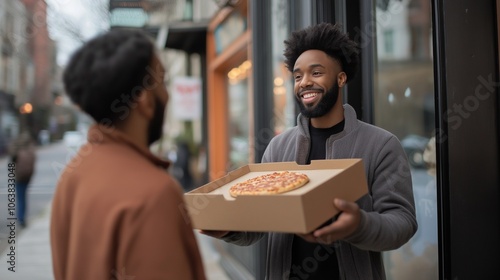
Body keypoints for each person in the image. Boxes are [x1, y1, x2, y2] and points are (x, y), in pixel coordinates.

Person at [203, 22, 417, 279]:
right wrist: (228, 230)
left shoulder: (381, 145)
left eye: (316, 73)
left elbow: (403, 222)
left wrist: (359, 225)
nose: (304, 82)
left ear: (341, 78)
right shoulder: (278, 147)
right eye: (297, 76)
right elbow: (261, 222)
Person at [50, 29, 206, 280]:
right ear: (145, 101)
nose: (167, 95)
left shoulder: (72, 176)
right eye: (163, 83)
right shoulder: (154, 193)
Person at [8, 131, 36, 227]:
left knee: (20, 198)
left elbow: (11, 160)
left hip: (18, 177)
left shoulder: (17, 150)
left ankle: (20, 218)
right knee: (24, 197)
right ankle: (22, 218)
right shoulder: (30, 150)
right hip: (27, 177)